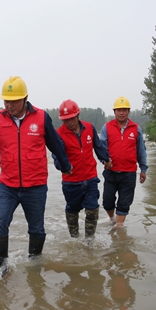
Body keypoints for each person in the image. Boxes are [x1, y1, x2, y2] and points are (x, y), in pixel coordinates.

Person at [0, 76, 72, 275]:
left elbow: (56, 145)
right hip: (8, 185)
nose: (9, 105)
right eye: (6, 101)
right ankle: (1, 269)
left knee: (36, 229)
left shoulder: (41, 118)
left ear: (25, 99)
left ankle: (34, 266)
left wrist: (66, 166)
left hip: (35, 186)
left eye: (13, 101)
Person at [52, 99, 111, 239]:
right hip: (71, 182)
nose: (69, 122)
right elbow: (56, 157)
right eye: (66, 120)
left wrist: (106, 159)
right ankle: (74, 238)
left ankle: (89, 239)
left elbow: (98, 147)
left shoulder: (89, 128)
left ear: (78, 115)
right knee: (72, 210)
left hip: (90, 178)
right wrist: (64, 167)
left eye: (72, 118)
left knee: (92, 208)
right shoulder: (58, 134)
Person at [99, 96, 148, 228]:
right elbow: (101, 147)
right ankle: (112, 219)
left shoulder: (136, 129)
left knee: (124, 204)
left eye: (124, 110)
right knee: (107, 202)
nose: (121, 113)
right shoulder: (107, 127)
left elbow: (141, 151)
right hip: (111, 172)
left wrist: (143, 169)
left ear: (128, 112)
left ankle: (119, 233)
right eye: (118, 110)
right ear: (114, 112)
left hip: (129, 173)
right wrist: (104, 160)